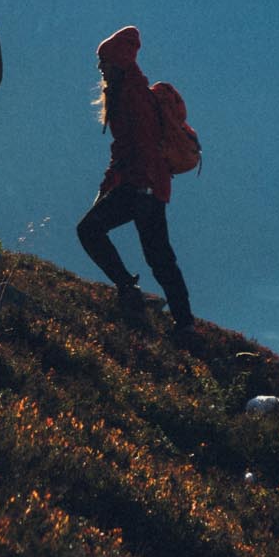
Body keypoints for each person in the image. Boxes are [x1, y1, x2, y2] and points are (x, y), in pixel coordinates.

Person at [77, 25, 194, 330]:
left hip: (141, 186)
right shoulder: (125, 90)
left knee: (89, 230)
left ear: (118, 61)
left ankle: (129, 290)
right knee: (161, 258)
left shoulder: (132, 96)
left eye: (104, 61)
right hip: (151, 187)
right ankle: (185, 326)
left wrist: (127, 186)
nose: (100, 67)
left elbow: (137, 146)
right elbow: (126, 148)